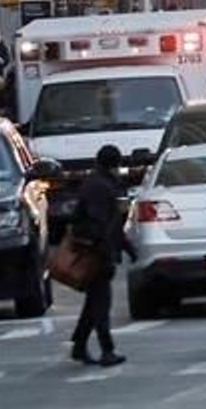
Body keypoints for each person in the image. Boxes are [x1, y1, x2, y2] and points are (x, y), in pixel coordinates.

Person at [70, 145, 134, 366]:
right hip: (97, 253)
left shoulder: (95, 183)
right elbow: (104, 224)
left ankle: (79, 345)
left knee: (94, 301)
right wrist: (112, 248)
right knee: (101, 303)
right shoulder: (102, 187)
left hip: (95, 251)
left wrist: (126, 248)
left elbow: (111, 224)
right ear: (115, 164)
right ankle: (107, 349)